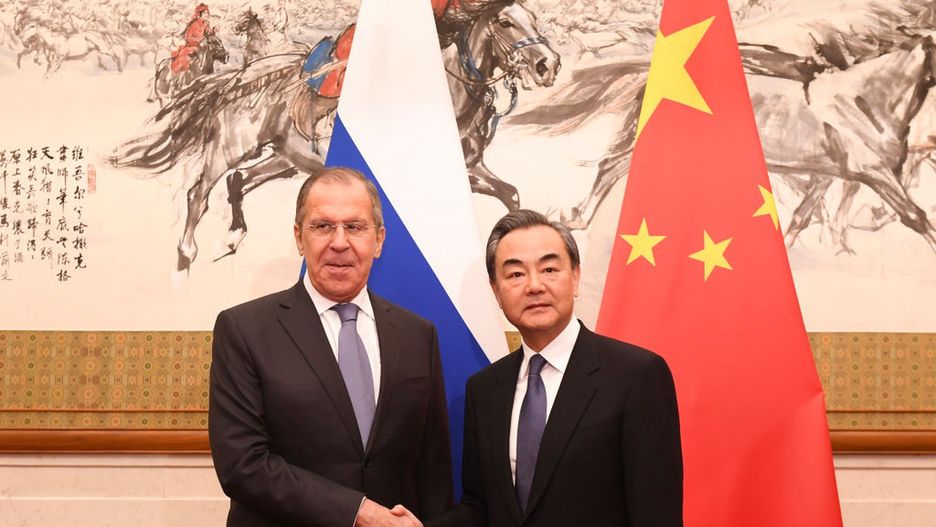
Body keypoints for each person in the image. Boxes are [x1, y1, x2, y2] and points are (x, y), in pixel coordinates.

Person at [395, 209, 683, 526]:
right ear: (496, 292)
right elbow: (481, 506)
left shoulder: (637, 376)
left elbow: (656, 512)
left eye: (549, 269)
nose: (534, 286)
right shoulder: (485, 388)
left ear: (575, 277)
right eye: (516, 274)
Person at [209, 167, 453, 527]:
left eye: (355, 227)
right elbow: (242, 465)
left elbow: (433, 466)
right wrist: (358, 512)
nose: (339, 242)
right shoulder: (244, 330)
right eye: (323, 226)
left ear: (379, 239)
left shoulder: (418, 334)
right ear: (299, 237)